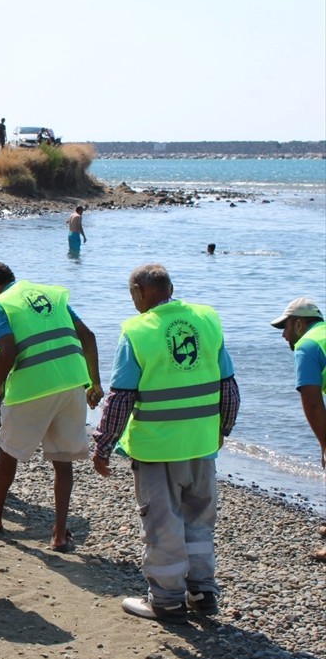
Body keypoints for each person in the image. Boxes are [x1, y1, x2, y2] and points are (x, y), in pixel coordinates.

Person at [92, 264, 240, 622]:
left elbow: (121, 398)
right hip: (202, 445)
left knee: (163, 523)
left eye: (132, 296)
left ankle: (167, 599)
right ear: (170, 288)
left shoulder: (137, 332)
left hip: (157, 447)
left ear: (140, 291)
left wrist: (102, 444)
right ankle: (203, 593)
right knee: (199, 522)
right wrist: (224, 428)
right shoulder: (206, 320)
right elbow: (229, 389)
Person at [0, 261, 103, 551]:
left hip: (33, 386)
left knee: (8, 450)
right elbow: (88, 336)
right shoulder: (51, 295)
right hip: (72, 382)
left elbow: (8, 349)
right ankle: (59, 533)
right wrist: (94, 383)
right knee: (62, 460)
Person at [269, 297, 326, 563]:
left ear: (300, 324)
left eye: (286, 327)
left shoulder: (306, 346)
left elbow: (313, 402)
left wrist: (325, 444)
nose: (283, 335)